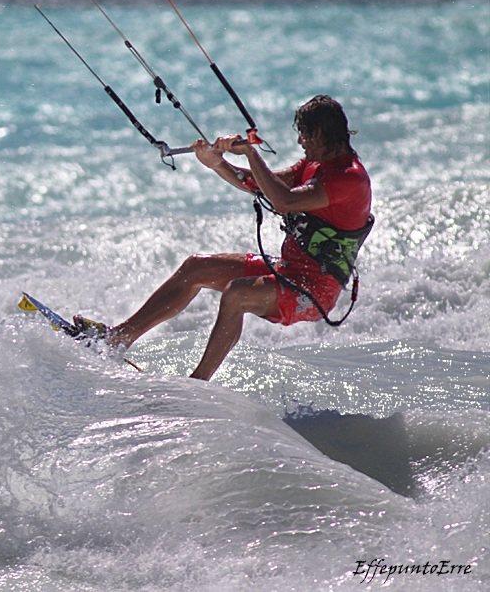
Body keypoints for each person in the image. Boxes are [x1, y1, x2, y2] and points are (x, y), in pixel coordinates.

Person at [75, 95, 373, 381]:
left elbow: (283, 202)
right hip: (288, 271)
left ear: (319, 133)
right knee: (196, 268)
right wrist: (217, 163)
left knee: (237, 293)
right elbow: (260, 184)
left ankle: (198, 383)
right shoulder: (314, 166)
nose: (300, 142)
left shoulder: (349, 179)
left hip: (312, 292)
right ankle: (118, 339)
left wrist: (251, 153)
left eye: (304, 135)